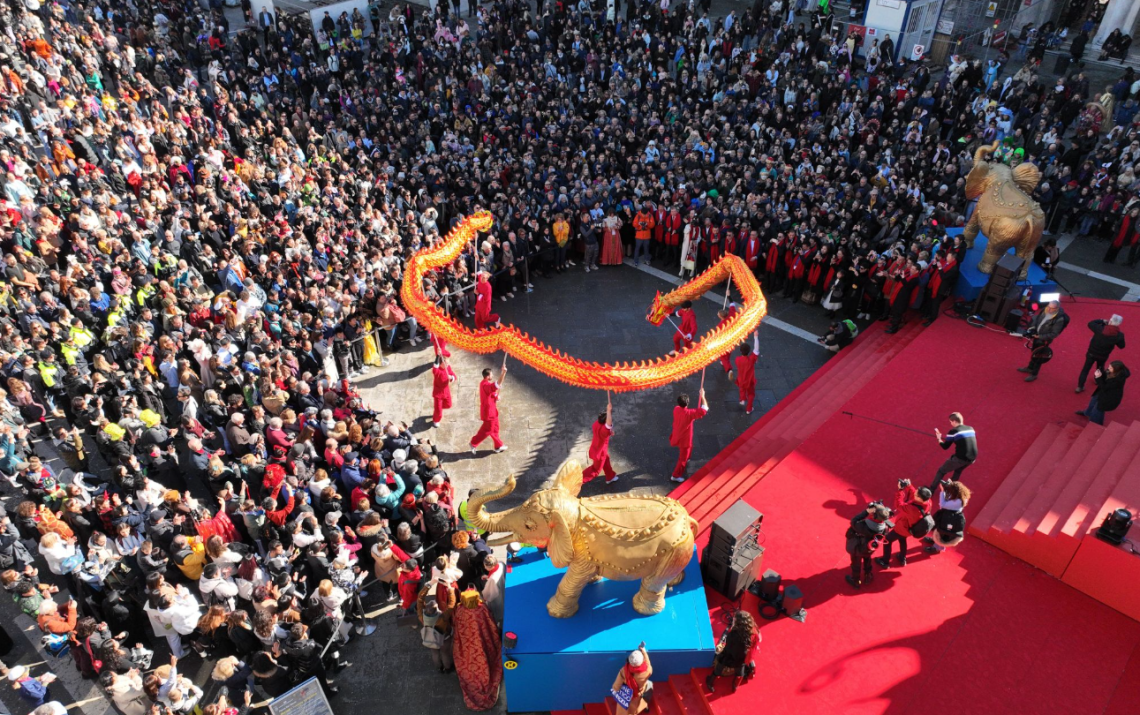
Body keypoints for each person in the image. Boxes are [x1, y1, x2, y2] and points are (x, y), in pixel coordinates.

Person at [451, 587, 502, 710]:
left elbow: (457, 624)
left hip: (466, 641)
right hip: (483, 639)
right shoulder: (482, 609)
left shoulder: (460, 610)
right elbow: (490, 623)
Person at [875, 481, 932, 568]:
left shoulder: (912, 509)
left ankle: (885, 561)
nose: (914, 492)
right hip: (909, 528)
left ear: (920, 498)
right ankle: (902, 557)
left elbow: (898, 505)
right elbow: (915, 495)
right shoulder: (928, 502)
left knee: (887, 540)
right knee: (902, 540)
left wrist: (900, 490)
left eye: (916, 493)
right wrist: (909, 486)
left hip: (901, 528)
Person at [705, 610, 759, 693]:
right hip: (741, 660)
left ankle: (710, 682)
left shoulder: (733, 634)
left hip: (729, 656)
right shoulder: (753, 631)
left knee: (718, 670)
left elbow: (728, 648)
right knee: (739, 674)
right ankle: (735, 686)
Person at [1019, 300, 1070, 382]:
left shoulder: (1059, 319)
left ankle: (1034, 374)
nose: (1049, 310)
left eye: (1051, 308)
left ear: (1057, 308)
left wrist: (1040, 336)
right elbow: (1038, 320)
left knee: (1039, 356)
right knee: (1033, 352)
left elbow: (1054, 334)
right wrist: (1033, 329)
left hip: (1044, 340)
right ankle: (1030, 367)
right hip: (1037, 336)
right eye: (1048, 307)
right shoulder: (1045, 310)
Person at [845, 503, 890, 589]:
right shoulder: (884, 527)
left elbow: (853, 521)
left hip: (858, 548)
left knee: (856, 564)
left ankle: (856, 581)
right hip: (870, 548)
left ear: (874, 515)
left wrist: (866, 512)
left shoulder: (863, 525)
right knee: (867, 559)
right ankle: (867, 575)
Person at [1077, 316, 1126, 393]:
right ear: (1119, 324)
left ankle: (1080, 386)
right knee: (1100, 368)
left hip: (1091, 353)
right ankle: (1098, 381)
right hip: (1103, 355)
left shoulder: (1100, 329)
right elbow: (1122, 346)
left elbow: (1090, 323)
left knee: (1085, 369)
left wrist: (1101, 321)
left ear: (1110, 321)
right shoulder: (1119, 335)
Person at [669, 389, 709, 483]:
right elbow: (704, 409)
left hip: (677, 434)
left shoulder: (676, 409)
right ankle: (675, 475)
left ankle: (687, 457)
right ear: (687, 403)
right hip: (685, 439)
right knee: (683, 459)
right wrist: (702, 396)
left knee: (687, 451)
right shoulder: (690, 413)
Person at [932, 412, 977, 492]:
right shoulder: (971, 428)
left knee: (941, 471)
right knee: (958, 471)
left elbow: (945, 446)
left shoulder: (953, 431)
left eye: (950, 421)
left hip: (960, 458)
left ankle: (931, 490)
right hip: (972, 458)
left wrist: (939, 438)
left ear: (954, 421)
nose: (950, 423)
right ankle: (949, 488)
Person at [1078, 360, 1131, 425]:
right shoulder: (1113, 373)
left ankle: (1095, 424)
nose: (1108, 368)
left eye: (1111, 368)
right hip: (1102, 392)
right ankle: (1087, 413)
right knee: (1093, 402)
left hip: (1108, 397)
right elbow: (1104, 380)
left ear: (1116, 370)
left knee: (1098, 410)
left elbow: (1105, 387)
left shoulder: (1118, 380)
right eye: (1109, 366)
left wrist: (1098, 377)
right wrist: (1101, 374)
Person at [925, 481, 971, 554]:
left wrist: (943, 491)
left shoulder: (958, 501)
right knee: (939, 529)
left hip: (949, 519)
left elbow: (943, 504)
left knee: (944, 532)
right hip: (949, 516)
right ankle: (935, 539)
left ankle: (937, 547)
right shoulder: (961, 495)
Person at [469, 366, 507, 454]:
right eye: (491, 374)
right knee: (487, 430)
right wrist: (503, 373)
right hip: (489, 413)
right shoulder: (486, 385)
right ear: (487, 377)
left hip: (492, 411)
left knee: (495, 429)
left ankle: (498, 446)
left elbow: (490, 393)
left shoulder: (483, 383)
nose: (492, 375)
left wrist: (495, 396)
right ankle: (473, 443)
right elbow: (496, 385)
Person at [583, 397, 617, 484]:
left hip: (596, 449)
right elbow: (608, 424)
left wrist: (609, 432)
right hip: (600, 453)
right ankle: (578, 480)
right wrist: (609, 410)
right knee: (595, 470)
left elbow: (605, 428)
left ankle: (610, 476)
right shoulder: (605, 430)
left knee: (607, 459)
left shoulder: (597, 424)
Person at [612, 644, 653, 715]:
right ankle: (645, 707)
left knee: (627, 710)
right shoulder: (647, 671)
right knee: (649, 685)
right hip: (640, 692)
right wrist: (643, 651)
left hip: (628, 694)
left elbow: (617, 685)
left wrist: (615, 690)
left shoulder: (624, 670)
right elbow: (648, 662)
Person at [731, 333, 760, 414]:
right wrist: (756, 337)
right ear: (749, 351)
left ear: (740, 351)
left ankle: (742, 399)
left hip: (741, 379)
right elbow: (756, 350)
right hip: (750, 380)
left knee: (742, 389)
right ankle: (749, 408)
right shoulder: (751, 360)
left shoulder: (737, 359)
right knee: (751, 394)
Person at [431, 354, 457, 428]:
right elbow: (435, 367)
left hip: (446, 391)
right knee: (439, 413)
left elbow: (454, 376)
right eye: (446, 363)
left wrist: (451, 377)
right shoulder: (437, 371)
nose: (448, 364)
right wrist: (437, 356)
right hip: (438, 393)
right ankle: (436, 420)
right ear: (441, 364)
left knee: (449, 405)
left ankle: (437, 409)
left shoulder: (448, 368)